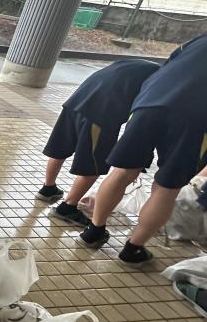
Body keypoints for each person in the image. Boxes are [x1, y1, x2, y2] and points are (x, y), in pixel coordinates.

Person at [80, 34, 207, 265]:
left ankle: (94, 231)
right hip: (196, 117)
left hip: (149, 100)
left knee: (123, 171)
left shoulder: (199, 39)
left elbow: (171, 63)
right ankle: (133, 249)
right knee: (168, 187)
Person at [37, 59, 159, 227]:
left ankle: (48, 188)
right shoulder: (162, 81)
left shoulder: (144, 65)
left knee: (60, 148)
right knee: (93, 166)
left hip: (76, 101)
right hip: (101, 113)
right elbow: (142, 121)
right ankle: (67, 207)